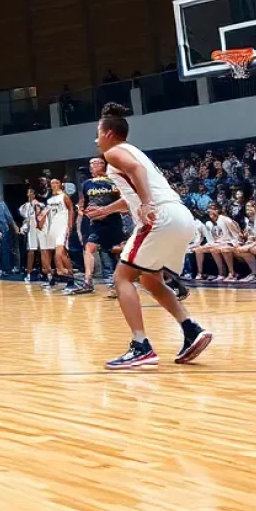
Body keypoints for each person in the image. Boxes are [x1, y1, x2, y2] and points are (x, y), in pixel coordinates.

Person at [90, 104, 212, 370]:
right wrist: (106, 210)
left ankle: (140, 345)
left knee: (122, 277)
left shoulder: (113, 153)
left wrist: (146, 204)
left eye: (98, 133)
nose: (96, 139)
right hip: (180, 215)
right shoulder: (134, 151)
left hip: (159, 216)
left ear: (109, 132)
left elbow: (138, 174)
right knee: (150, 279)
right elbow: (132, 190)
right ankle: (191, 329)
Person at [71, 158, 125, 296]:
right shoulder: (86, 184)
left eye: (95, 164)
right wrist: (86, 213)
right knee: (89, 248)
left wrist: (106, 211)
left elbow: (125, 203)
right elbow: (83, 204)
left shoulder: (114, 181)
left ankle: (119, 284)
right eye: (90, 165)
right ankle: (88, 282)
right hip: (96, 223)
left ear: (103, 165)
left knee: (117, 252)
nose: (92, 167)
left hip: (114, 221)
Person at [43, 177, 74, 289]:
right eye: (52, 183)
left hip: (63, 226)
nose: (54, 184)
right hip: (53, 228)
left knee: (60, 253)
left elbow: (71, 209)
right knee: (49, 252)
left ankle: (70, 276)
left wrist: (70, 225)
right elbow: (46, 215)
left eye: (56, 182)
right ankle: (55, 276)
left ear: (60, 184)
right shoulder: (50, 200)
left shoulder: (64, 196)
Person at [19, 188, 46, 283]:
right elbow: (26, 219)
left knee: (42, 251)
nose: (29, 194)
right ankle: (29, 273)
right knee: (31, 251)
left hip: (41, 229)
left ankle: (46, 273)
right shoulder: (26, 206)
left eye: (31, 193)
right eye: (28, 193)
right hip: (32, 230)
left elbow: (42, 214)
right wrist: (23, 227)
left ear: (34, 195)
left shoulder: (39, 204)